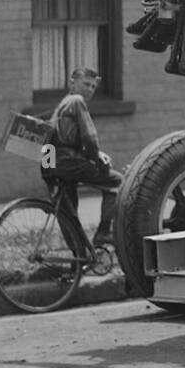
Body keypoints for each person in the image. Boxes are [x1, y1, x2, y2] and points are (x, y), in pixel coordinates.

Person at [42, 67, 125, 247]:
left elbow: (67, 137)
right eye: (86, 84)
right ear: (72, 82)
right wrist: (96, 158)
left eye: (93, 86)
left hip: (52, 162)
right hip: (68, 162)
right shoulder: (77, 101)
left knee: (68, 213)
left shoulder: (62, 104)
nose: (90, 89)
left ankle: (79, 260)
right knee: (118, 182)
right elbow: (89, 136)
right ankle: (104, 232)